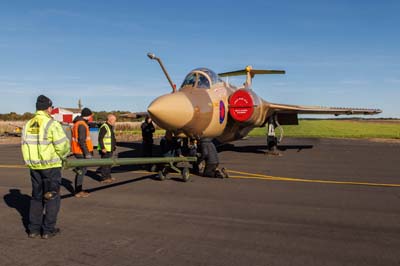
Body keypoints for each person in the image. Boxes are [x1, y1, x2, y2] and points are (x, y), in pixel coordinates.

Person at [21, 95, 70, 239]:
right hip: (51, 166)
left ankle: (33, 230)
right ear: (49, 108)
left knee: (36, 197)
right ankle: (48, 230)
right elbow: (62, 146)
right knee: (52, 197)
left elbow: (24, 144)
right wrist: (64, 155)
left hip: (34, 167)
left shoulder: (28, 124)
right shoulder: (51, 124)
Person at [71, 107, 94, 198]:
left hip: (78, 151)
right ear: (87, 115)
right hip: (81, 152)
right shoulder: (81, 125)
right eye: (90, 115)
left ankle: (78, 189)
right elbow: (81, 141)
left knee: (81, 170)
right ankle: (78, 191)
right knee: (82, 171)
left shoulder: (78, 123)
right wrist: (87, 153)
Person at [98, 114, 117, 183]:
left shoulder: (110, 127)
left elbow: (111, 138)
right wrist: (103, 148)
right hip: (105, 149)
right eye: (114, 120)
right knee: (105, 164)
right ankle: (104, 178)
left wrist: (114, 146)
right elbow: (100, 138)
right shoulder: (104, 127)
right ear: (110, 120)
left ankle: (108, 177)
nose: (115, 122)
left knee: (109, 164)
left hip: (110, 149)